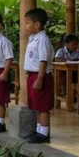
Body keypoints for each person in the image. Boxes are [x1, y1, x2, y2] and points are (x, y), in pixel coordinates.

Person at [24, 8, 55, 144]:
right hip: (33, 75)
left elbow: (43, 61)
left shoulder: (42, 39)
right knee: (37, 105)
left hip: (40, 75)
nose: (25, 26)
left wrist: (40, 79)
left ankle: (44, 133)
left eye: (27, 23)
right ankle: (38, 130)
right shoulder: (33, 38)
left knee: (43, 106)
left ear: (37, 24)